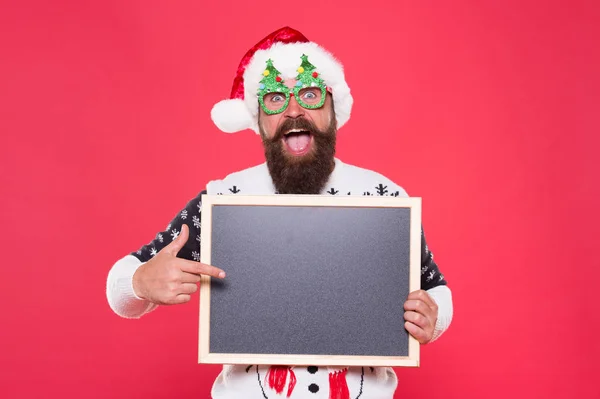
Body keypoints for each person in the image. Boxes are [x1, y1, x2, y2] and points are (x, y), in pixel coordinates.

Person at [106, 26, 453, 399]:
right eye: (274, 98)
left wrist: (431, 321)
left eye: (309, 93)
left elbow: (435, 291)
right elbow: (119, 286)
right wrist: (141, 282)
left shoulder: (382, 197)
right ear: (259, 121)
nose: (293, 110)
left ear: (333, 109)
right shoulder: (225, 198)